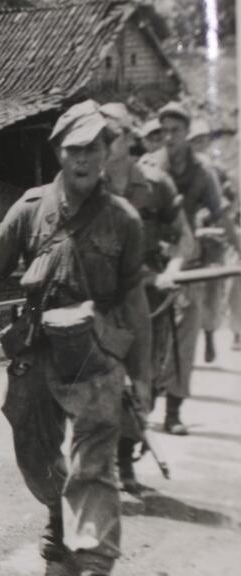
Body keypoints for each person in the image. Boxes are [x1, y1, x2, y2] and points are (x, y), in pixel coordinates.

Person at [0, 100, 151, 576]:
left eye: (94, 148)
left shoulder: (123, 221)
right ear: (59, 152)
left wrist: (142, 375)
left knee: (94, 466)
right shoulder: (30, 209)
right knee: (35, 459)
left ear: (107, 153)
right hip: (36, 353)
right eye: (74, 148)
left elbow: (136, 302)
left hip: (97, 358)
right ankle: (59, 513)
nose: (84, 158)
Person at [99, 103, 194, 496]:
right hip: (101, 299)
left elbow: (185, 240)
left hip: (149, 301)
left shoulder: (157, 185)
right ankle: (107, 463)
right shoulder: (86, 183)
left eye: (110, 135)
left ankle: (125, 457)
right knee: (100, 378)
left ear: (128, 138)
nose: (100, 144)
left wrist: (171, 271)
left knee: (144, 382)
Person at [142, 102, 241, 434]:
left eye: (176, 131)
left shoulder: (203, 173)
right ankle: (145, 404)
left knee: (185, 338)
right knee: (154, 337)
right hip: (153, 265)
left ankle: (173, 412)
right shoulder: (151, 167)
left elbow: (223, 216)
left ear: (186, 133)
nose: (169, 138)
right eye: (164, 131)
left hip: (192, 265)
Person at [187, 119, 235, 364]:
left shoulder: (217, 171)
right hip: (191, 240)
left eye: (203, 139)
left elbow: (228, 204)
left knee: (212, 293)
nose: (199, 144)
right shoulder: (181, 170)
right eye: (195, 140)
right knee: (188, 293)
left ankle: (209, 338)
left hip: (213, 240)